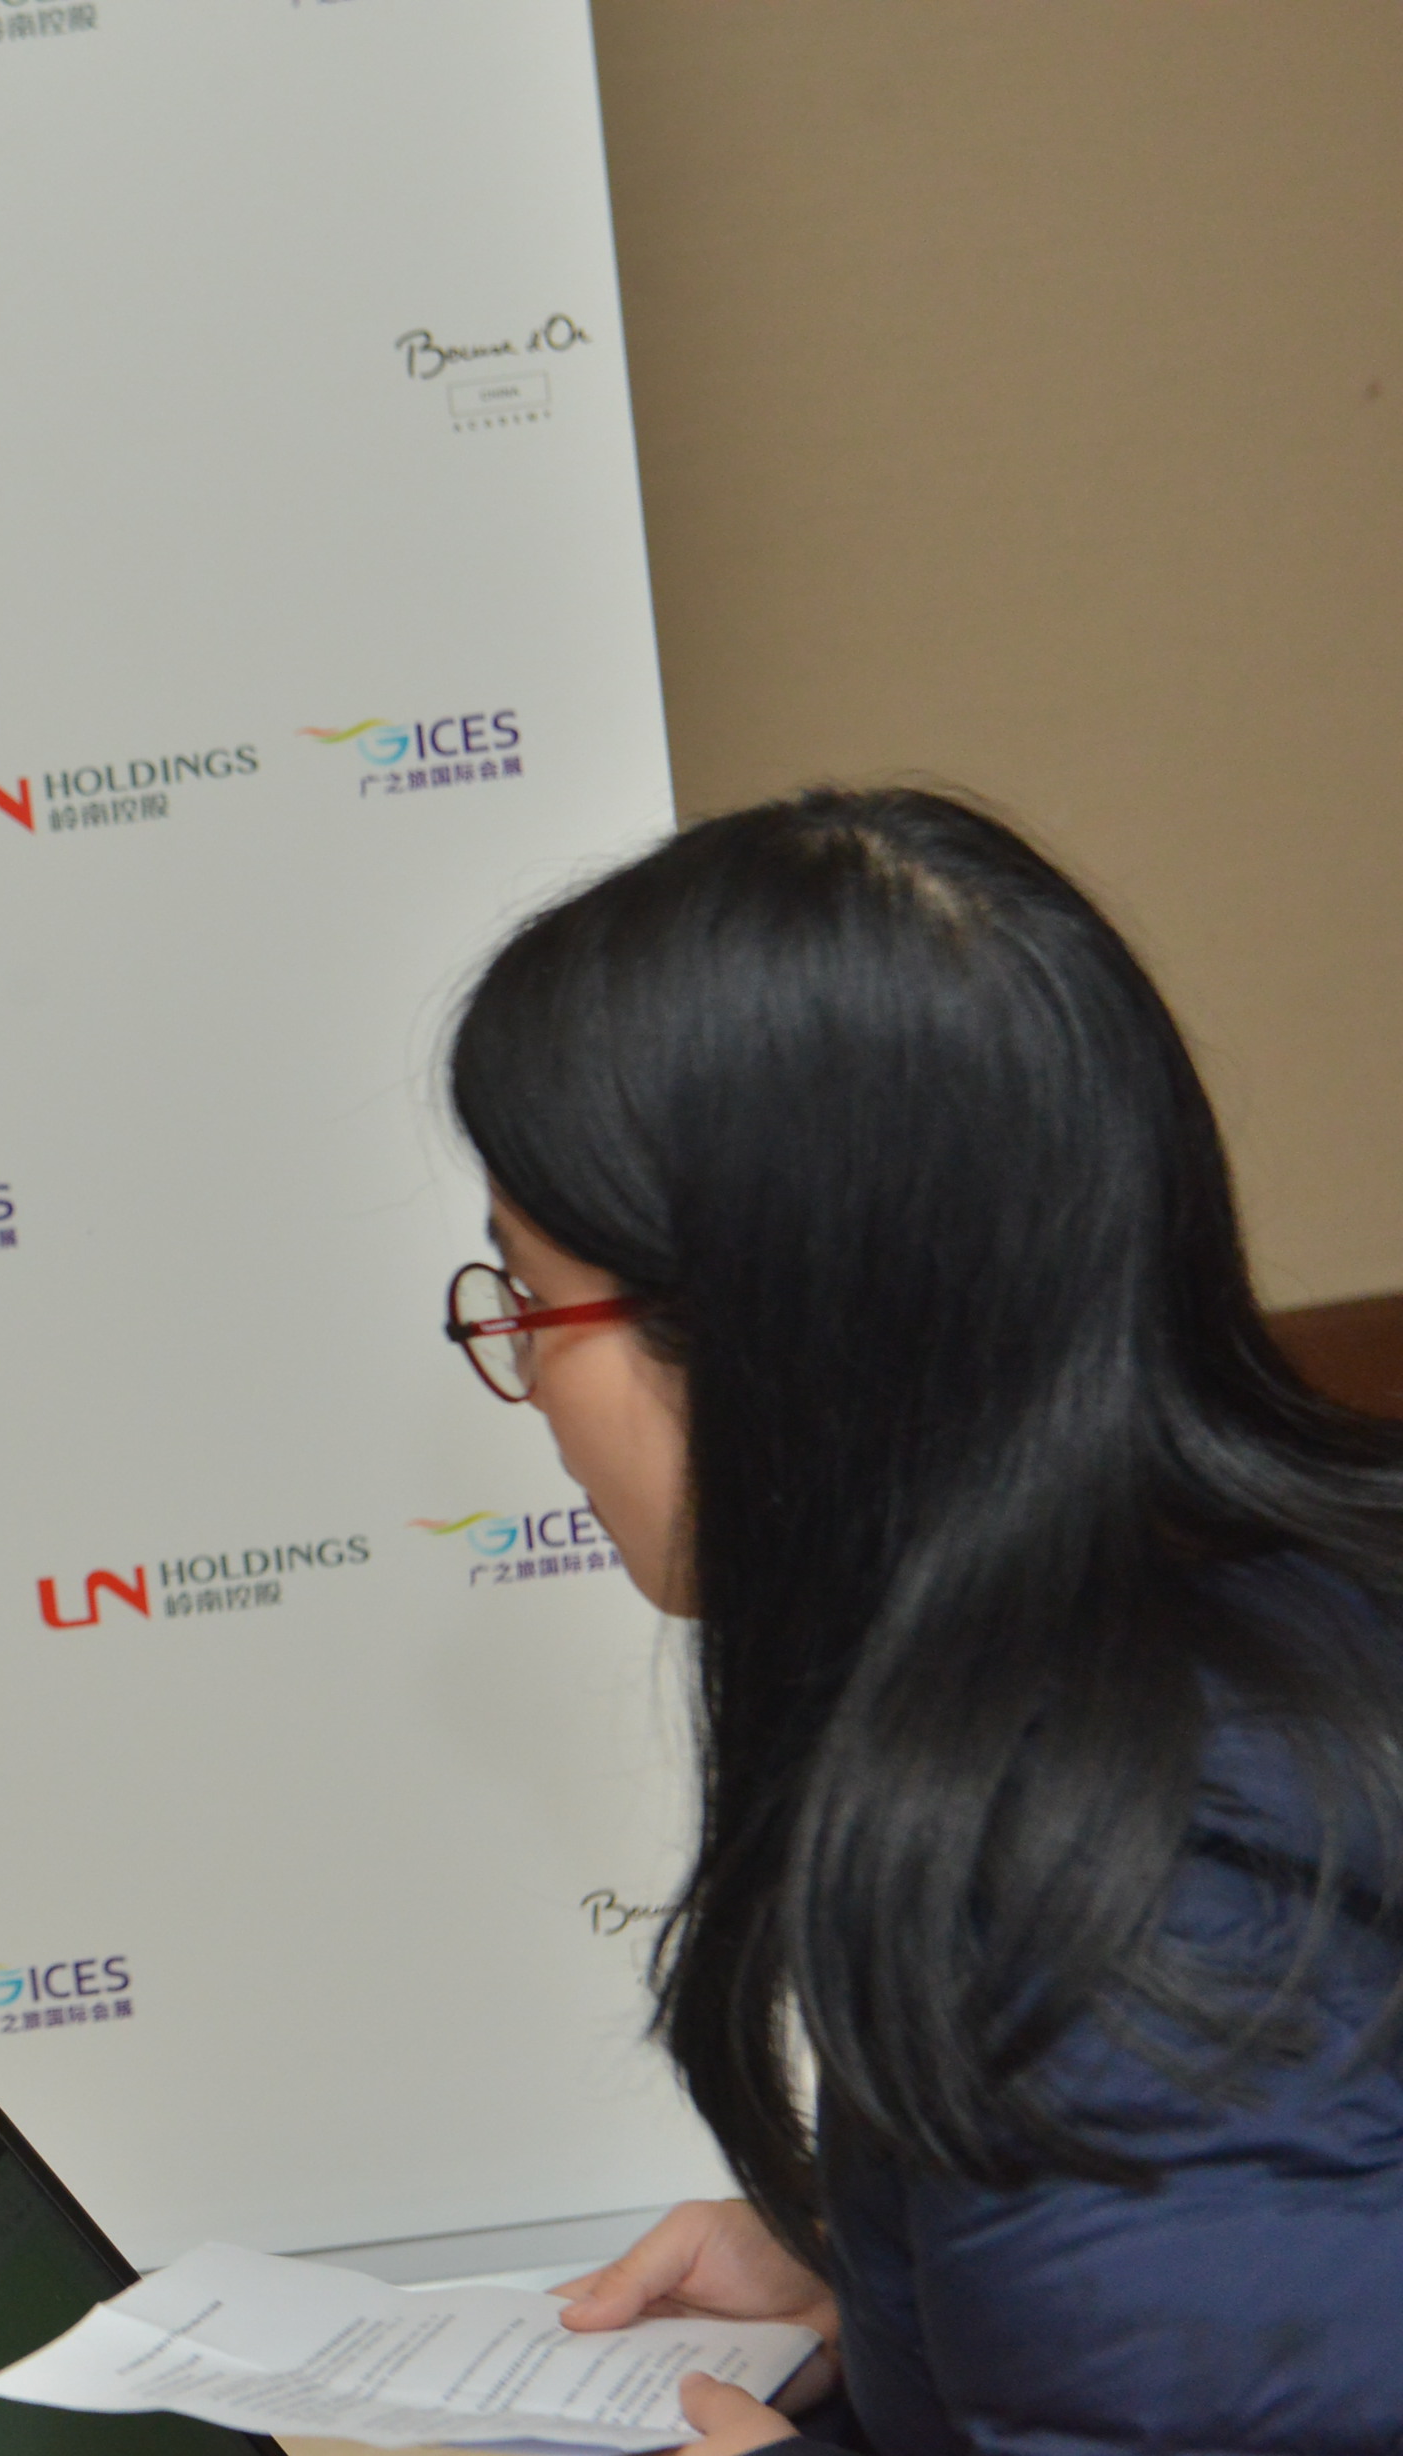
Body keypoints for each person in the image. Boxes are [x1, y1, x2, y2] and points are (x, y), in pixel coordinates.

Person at [436, 788, 1403, 2454]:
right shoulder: (1246, 1613)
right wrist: (884, 2282)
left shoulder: (1130, 1882)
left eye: (535, 1300)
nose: (522, 1372)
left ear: (771, 1337)